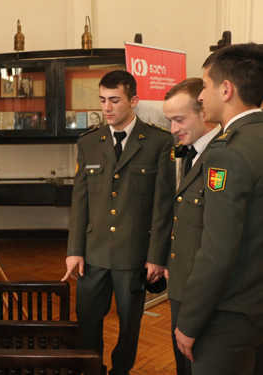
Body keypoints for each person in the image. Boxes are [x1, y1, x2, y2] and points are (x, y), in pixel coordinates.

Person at [62, 70, 175, 375]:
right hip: (93, 253)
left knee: (129, 327)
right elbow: (80, 200)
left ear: (133, 100)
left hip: (133, 255)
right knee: (87, 324)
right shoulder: (89, 142)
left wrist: (156, 256)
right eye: (102, 100)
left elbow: (163, 207)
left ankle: (120, 372)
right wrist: (75, 249)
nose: (107, 108)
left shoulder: (158, 142)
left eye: (114, 100)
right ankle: (92, 370)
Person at [175, 43, 263, 375]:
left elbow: (217, 250)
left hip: (228, 317)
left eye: (206, 85)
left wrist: (190, 321)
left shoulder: (227, 152)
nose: (201, 96)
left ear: (226, 89)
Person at [162, 78, 222, 375]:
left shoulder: (222, 157)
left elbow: (217, 242)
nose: (173, 129)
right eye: (169, 121)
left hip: (203, 292)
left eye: (179, 119)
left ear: (203, 112)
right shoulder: (192, 154)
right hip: (181, 282)